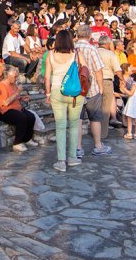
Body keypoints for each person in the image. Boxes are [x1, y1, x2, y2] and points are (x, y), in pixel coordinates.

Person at [43, 30, 84, 172]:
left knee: (60, 126)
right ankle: (72, 157)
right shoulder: (76, 53)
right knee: (74, 124)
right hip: (75, 93)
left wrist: (47, 94)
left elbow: (47, 77)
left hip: (56, 91)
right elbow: (85, 71)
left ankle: (61, 161)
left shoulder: (51, 54)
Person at [74, 23, 110, 156]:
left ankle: (78, 148)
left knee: (77, 119)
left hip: (75, 89)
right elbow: (98, 69)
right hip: (91, 88)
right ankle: (98, 146)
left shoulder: (72, 48)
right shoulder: (91, 49)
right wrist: (100, 87)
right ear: (89, 35)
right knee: (95, 118)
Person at [0, 65, 38, 152]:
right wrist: (18, 91)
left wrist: (21, 98)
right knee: (22, 118)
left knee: (31, 116)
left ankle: (27, 139)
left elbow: (15, 97)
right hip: (4, 111)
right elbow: (6, 103)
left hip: (16, 108)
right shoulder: (1, 86)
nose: (16, 78)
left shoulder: (13, 84)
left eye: (17, 76)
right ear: (8, 76)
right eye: (15, 77)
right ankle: (17, 143)